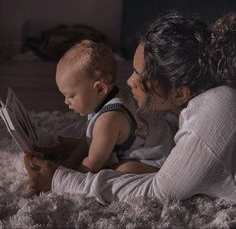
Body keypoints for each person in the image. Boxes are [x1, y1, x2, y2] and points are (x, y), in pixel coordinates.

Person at [24, 11, 236, 204]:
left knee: (122, 170)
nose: (129, 81)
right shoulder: (210, 96)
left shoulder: (214, 111)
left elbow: (157, 192)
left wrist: (59, 180)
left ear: (179, 93)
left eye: (139, 75)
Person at [37, 39, 175, 174]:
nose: (66, 101)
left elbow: (93, 164)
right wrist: (72, 160)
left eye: (70, 96)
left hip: (157, 158)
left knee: (118, 169)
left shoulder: (108, 120)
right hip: (163, 135)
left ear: (99, 89)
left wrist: (68, 175)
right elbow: (88, 139)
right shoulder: (105, 97)